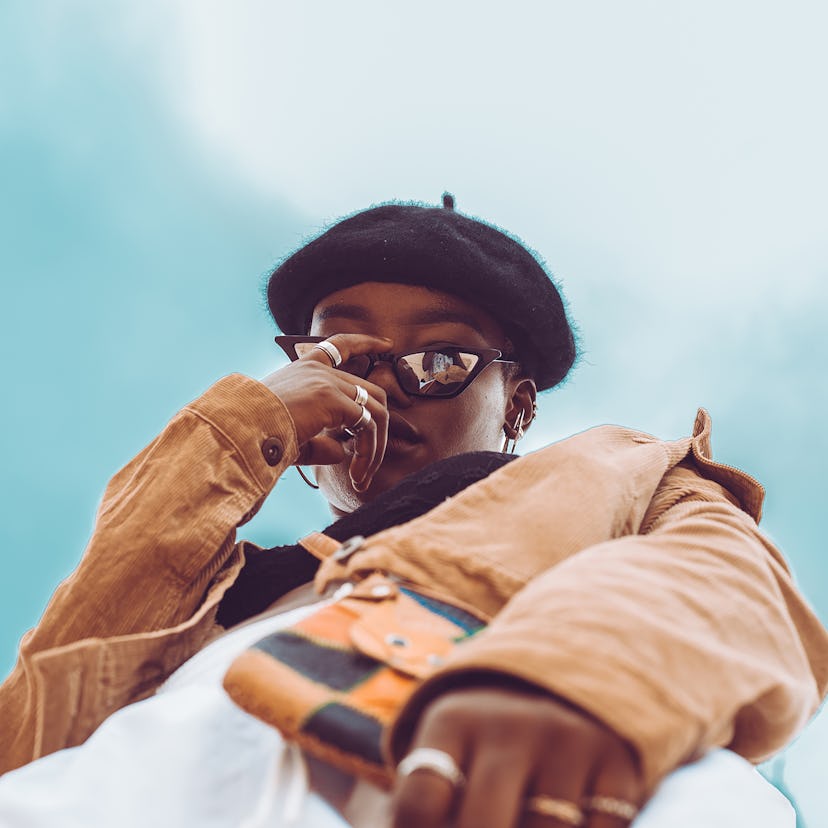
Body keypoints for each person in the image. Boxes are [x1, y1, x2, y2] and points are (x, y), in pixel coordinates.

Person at [0, 195, 825, 828]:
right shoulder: (211, 590)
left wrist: (572, 680)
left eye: (440, 358)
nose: (385, 388)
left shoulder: (621, 476)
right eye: (344, 354)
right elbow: (43, 717)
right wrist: (249, 422)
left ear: (520, 406)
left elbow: (727, 582)